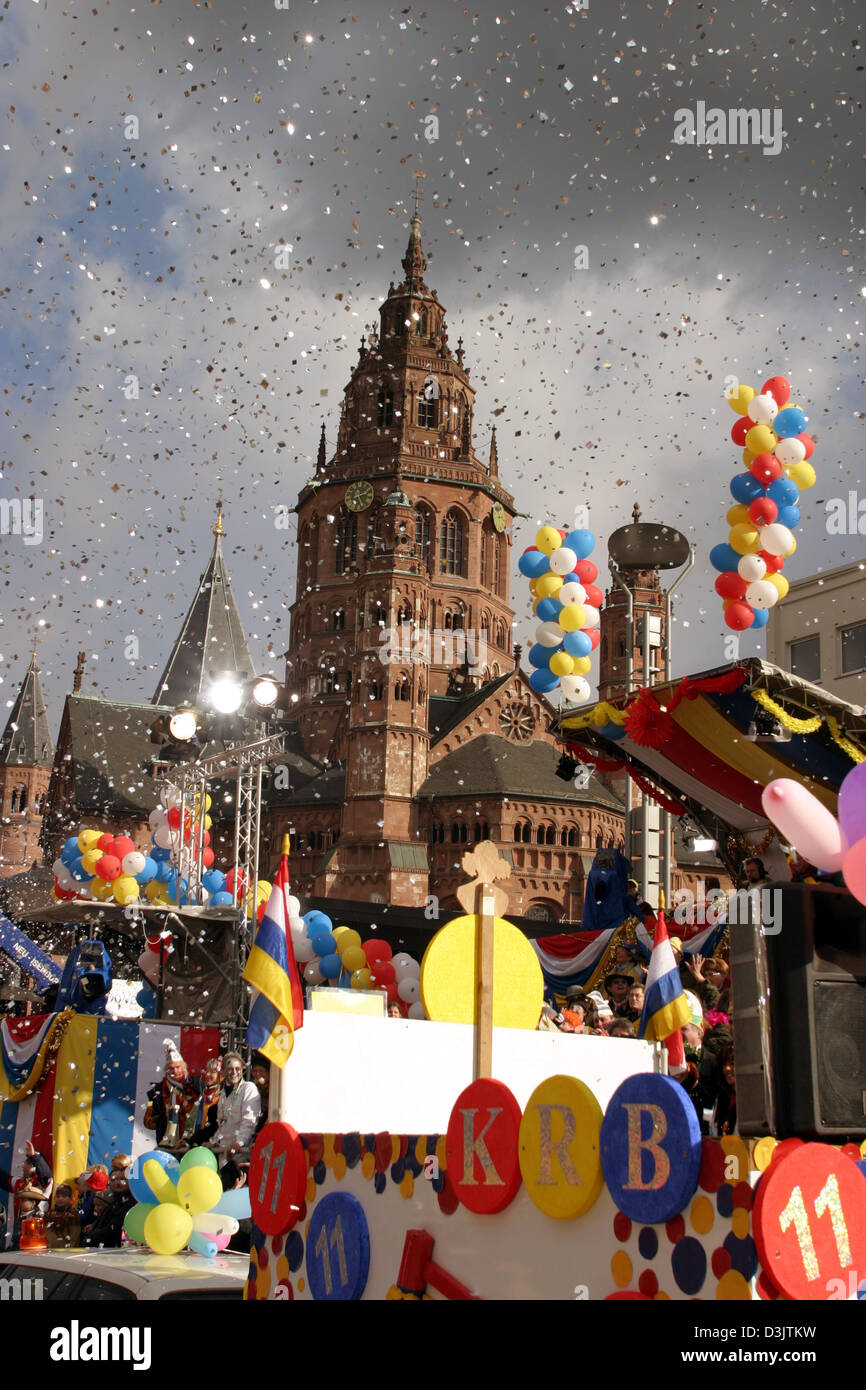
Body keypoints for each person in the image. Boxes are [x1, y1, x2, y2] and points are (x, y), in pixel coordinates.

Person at [145, 1039, 201, 1149]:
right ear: (165, 1070)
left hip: (191, 1143)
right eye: (171, 1068)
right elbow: (148, 1121)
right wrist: (164, 1116)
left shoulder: (197, 1085)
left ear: (184, 1068)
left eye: (178, 1067)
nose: (175, 1071)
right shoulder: (157, 1092)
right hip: (167, 1145)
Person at [212, 1052, 261, 1171]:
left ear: (243, 1070)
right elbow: (222, 1124)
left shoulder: (248, 1088)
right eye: (229, 1069)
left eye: (237, 1068)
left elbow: (249, 1120)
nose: (234, 1072)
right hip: (223, 1155)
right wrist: (213, 1141)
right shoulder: (222, 1094)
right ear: (222, 1071)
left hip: (241, 1156)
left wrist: (240, 1142)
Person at [85, 1163, 135, 1248]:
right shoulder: (111, 1201)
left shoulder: (131, 1203)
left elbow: (114, 1227)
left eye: (122, 1179)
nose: (117, 1183)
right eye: (113, 1180)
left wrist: (92, 1236)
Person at [187, 1056, 222, 1149]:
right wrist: (187, 1139)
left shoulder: (222, 1096)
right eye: (207, 1071)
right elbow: (191, 1120)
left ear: (221, 1075)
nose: (208, 1075)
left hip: (214, 1144)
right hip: (200, 1141)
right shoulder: (203, 1096)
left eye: (213, 1072)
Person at [45, 1184, 81, 1249]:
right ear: (54, 1198)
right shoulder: (48, 1214)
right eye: (58, 1196)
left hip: (65, 1252)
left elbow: (74, 1238)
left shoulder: (73, 1216)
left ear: (71, 1199)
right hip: (48, 1250)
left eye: (64, 1196)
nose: (60, 1199)